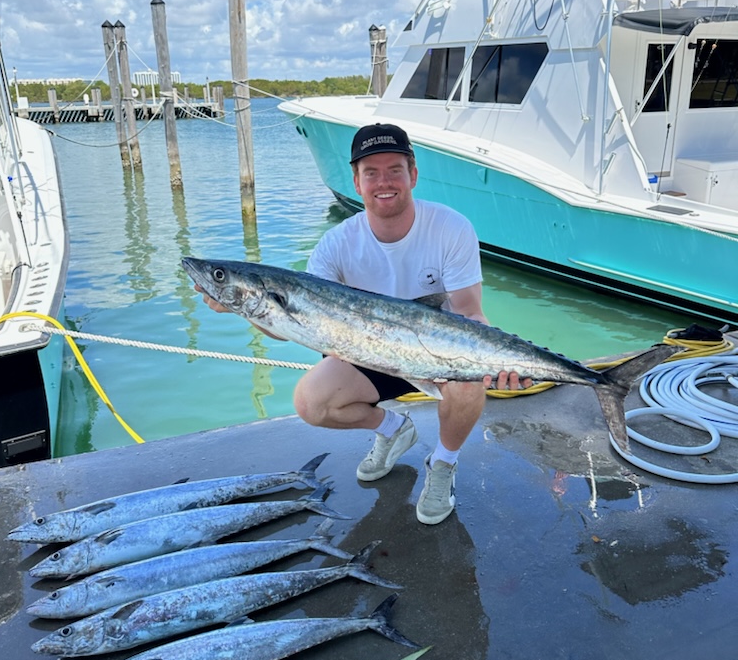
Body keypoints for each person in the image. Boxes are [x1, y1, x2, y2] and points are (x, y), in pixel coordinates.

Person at [198, 122, 526, 526]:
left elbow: (469, 312)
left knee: (469, 383)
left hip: (437, 355)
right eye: (371, 172)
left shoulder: (451, 228)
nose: (383, 182)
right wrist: (239, 308)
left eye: (394, 170)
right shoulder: (335, 245)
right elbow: (289, 325)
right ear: (356, 181)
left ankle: (443, 463)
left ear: (413, 175)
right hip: (366, 356)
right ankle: (392, 429)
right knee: (310, 402)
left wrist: (496, 363)